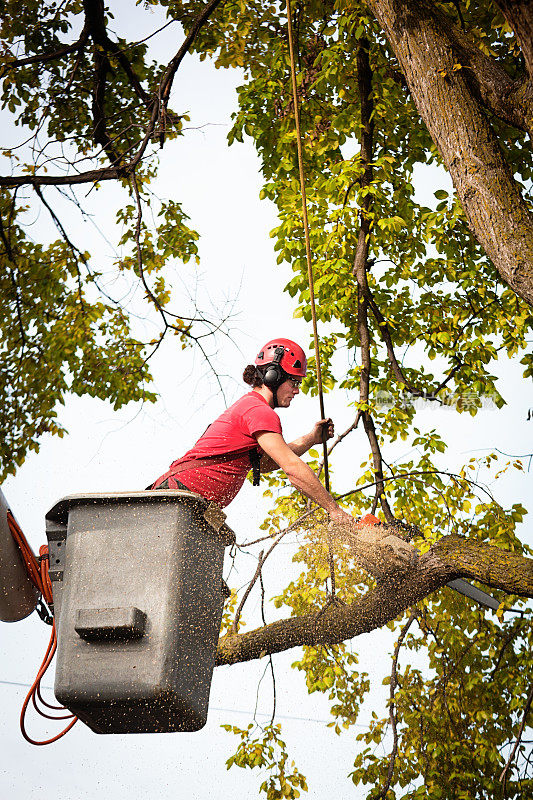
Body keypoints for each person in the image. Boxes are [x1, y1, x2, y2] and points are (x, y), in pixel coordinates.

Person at [150, 337, 356, 528]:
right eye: (293, 382)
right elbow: (291, 468)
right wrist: (334, 510)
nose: (297, 390)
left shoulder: (252, 408)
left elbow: (265, 464)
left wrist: (311, 439)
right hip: (176, 498)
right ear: (273, 376)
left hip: (185, 503)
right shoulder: (259, 411)